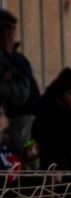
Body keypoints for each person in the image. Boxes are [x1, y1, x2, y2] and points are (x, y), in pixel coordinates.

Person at [0, 9, 40, 145]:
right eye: (2, 28)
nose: (7, 34)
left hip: (28, 122)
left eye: (11, 29)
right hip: (12, 120)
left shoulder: (18, 59)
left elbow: (29, 94)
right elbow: (19, 94)